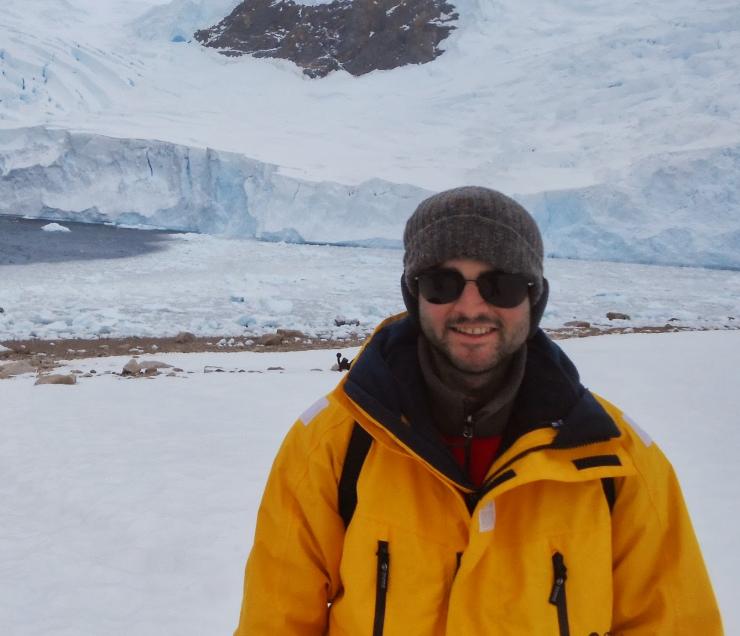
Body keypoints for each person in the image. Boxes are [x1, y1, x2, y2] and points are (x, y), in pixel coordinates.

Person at [234, 186, 722, 635]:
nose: (471, 307)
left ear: (535, 300)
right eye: (443, 283)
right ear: (414, 294)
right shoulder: (333, 445)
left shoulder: (616, 461)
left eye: (501, 285)